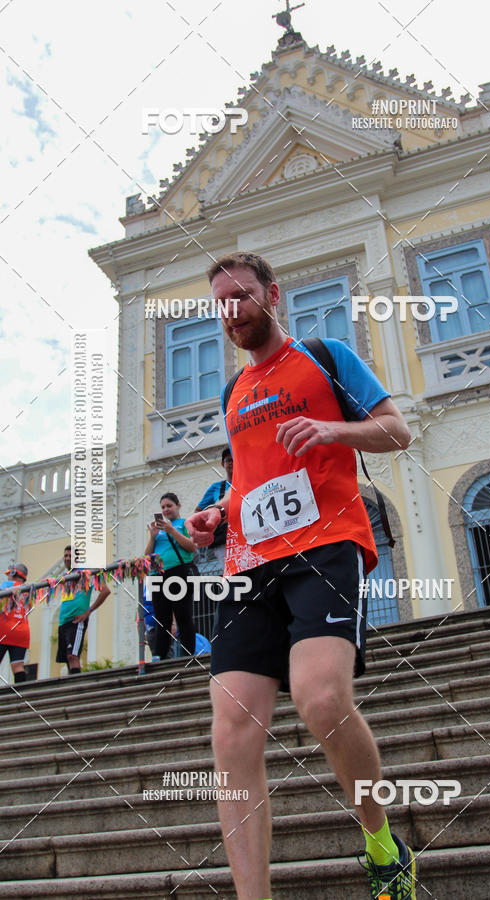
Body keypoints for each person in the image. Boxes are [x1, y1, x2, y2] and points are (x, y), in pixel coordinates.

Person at [185, 251, 414, 900]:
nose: (232, 311)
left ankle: (380, 841)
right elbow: (251, 485)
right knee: (230, 733)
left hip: (327, 546)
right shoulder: (233, 395)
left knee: (320, 699)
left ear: (273, 294)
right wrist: (216, 516)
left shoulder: (327, 354)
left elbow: (398, 433)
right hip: (250, 565)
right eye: (221, 302)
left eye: (242, 295)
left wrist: (333, 431)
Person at [144, 492, 196, 659]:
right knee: (162, 618)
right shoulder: (158, 531)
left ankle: (188, 653)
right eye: (163, 507)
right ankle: (161, 655)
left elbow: (191, 547)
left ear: (178, 505)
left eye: (169, 506)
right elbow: (147, 557)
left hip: (179, 571)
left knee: (183, 614)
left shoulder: (184, 524)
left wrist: (172, 530)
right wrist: (152, 537)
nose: (166, 510)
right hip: (158, 574)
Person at [58, 546, 111, 674]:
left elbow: (106, 591)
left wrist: (88, 611)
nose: (68, 558)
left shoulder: (86, 572)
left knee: (73, 656)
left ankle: (77, 688)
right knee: (67, 658)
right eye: (66, 555)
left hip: (77, 620)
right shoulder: (65, 576)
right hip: (62, 621)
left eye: (71, 556)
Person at [194, 447, 233, 571]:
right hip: (224, 539)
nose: (231, 463)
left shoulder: (248, 480)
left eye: (234, 459)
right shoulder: (216, 487)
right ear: (223, 464)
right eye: (228, 460)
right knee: (232, 572)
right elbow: (198, 511)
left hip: (248, 534)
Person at [0, 563, 31, 685]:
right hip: (22, 631)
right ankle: (21, 696)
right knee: (18, 666)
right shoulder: (28, 590)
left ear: (13, 573)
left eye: (9, 574)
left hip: (4, 630)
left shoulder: (7, 585)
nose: (8, 577)